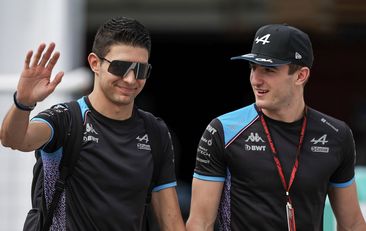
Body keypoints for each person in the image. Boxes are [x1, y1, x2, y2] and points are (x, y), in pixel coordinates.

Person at [1, 16, 185, 231]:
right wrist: (23, 102)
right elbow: (14, 139)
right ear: (95, 63)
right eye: (120, 67)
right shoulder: (66, 119)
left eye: (141, 70)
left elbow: (170, 221)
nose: (130, 79)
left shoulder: (155, 131)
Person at [186, 24, 366, 231]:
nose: (256, 80)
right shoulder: (222, 130)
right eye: (253, 68)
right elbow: (199, 223)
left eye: (268, 70)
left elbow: (352, 224)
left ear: (301, 76)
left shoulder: (336, 135)